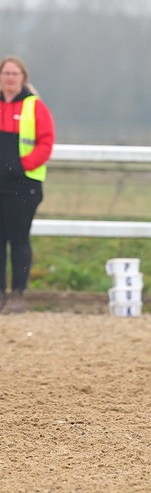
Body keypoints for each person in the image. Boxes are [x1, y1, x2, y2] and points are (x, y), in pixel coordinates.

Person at [0, 57, 54, 314]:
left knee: (19, 239)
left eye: (14, 73)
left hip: (24, 185)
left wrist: (23, 165)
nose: (10, 78)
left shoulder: (35, 107)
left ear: (23, 77)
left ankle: (18, 294)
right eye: (6, 73)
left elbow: (46, 142)